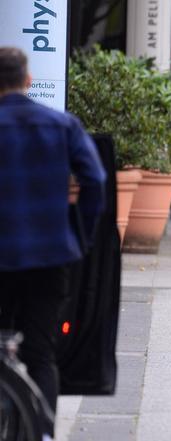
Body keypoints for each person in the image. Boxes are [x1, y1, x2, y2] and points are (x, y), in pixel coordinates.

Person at [0, 47, 106, 441]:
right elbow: (95, 180)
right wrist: (80, 235)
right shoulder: (61, 125)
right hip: (49, 254)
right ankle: (43, 433)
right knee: (41, 353)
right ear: (28, 81)